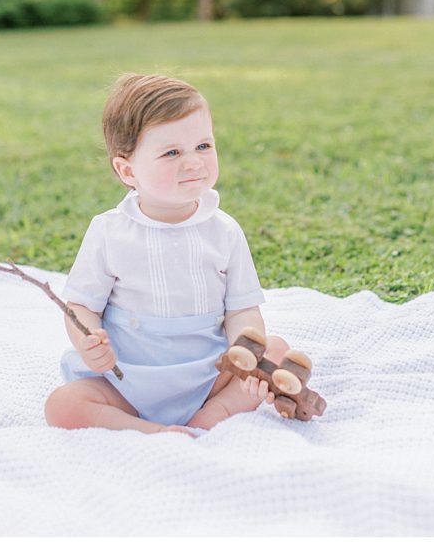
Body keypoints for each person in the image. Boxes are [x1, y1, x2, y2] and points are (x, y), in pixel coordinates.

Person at [44, 72, 290, 435]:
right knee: (62, 406)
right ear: (127, 170)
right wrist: (88, 341)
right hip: (128, 377)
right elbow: (81, 306)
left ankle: (211, 414)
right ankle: (145, 429)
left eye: (203, 146)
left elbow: (242, 309)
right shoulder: (109, 232)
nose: (193, 162)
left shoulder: (224, 231)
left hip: (207, 372)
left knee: (276, 351)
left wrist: (246, 351)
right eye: (172, 152)